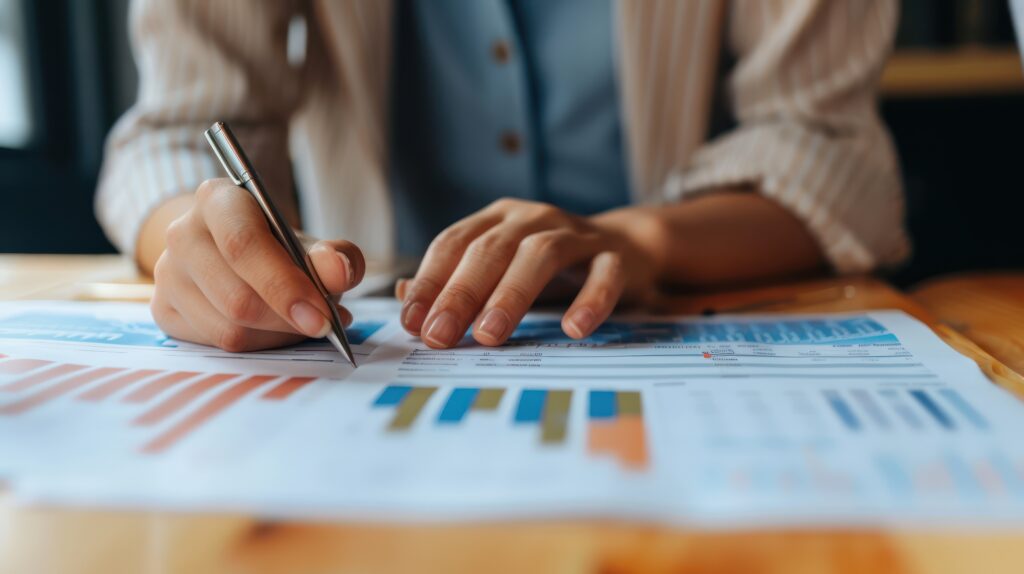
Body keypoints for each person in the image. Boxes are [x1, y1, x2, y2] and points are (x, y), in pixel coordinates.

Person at [96, 0, 907, 352]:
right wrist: (204, 244)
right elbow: (173, 133)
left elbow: (828, 149)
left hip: (684, 313)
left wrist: (641, 240)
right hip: (379, 323)